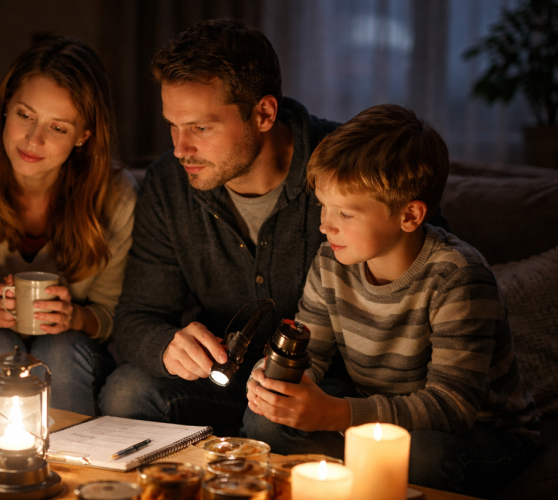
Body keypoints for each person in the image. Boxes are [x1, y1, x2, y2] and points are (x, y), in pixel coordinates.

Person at [98, 19, 448, 430]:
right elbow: (137, 316)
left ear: (263, 114)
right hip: (227, 378)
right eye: (173, 125)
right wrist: (166, 346)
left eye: (201, 127)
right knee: (125, 391)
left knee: (272, 420)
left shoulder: (350, 169)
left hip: (329, 386)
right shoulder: (170, 184)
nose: (180, 148)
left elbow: (426, 257)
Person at [243, 104, 539, 496]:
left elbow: (452, 407)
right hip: (377, 419)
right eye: (323, 207)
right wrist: (275, 386)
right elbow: (311, 354)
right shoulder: (331, 260)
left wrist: (336, 415)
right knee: (263, 421)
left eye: (346, 214)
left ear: (410, 216)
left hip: (481, 430)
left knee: (423, 457)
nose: (325, 225)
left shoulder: (458, 276)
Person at [0, 37, 136, 416]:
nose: (33, 139)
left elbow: (117, 318)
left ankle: (71, 453)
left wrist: (76, 318)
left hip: (75, 355)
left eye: (58, 128)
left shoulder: (117, 197)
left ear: (83, 136)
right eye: (25, 115)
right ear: (6, 107)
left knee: (61, 348)